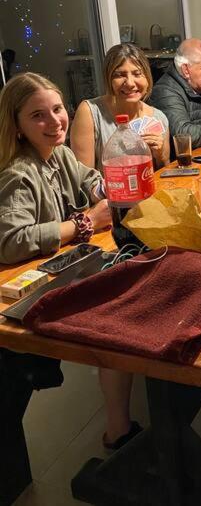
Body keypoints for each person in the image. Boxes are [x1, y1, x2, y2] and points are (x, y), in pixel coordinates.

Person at [0, 73, 142, 452]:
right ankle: (119, 430)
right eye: (38, 116)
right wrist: (84, 222)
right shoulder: (18, 173)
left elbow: (91, 180)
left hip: (72, 267)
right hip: (30, 293)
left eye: (58, 109)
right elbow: (11, 242)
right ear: (16, 126)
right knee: (123, 315)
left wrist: (110, 184)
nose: (55, 121)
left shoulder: (59, 154)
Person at [71, 43, 170, 171]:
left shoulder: (158, 118)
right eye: (120, 75)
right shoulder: (89, 112)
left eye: (137, 73)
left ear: (147, 78)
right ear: (109, 79)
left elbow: (165, 174)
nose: (129, 83)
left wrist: (160, 156)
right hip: (108, 191)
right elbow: (83, 181)